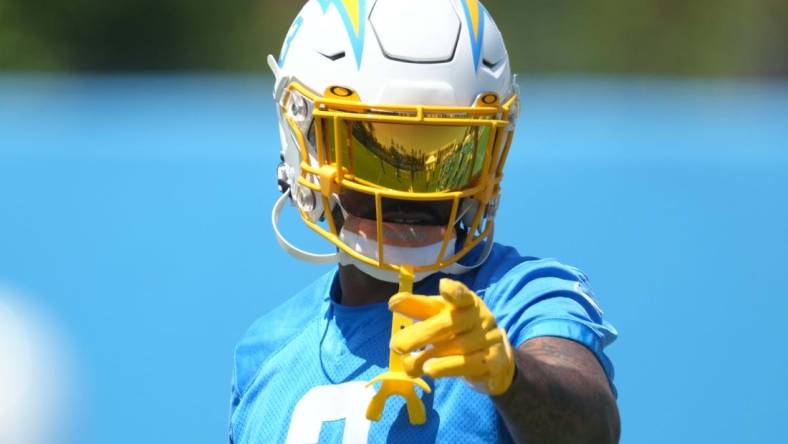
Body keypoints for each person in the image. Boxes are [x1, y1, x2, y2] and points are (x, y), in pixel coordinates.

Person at [229, 1, 620, 443]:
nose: (411, 193)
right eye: (374, 151)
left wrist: (511, 377)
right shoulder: (265, 350)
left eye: (447, 156)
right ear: (306, 143)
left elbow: (592, 429)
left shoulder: (520, 299)